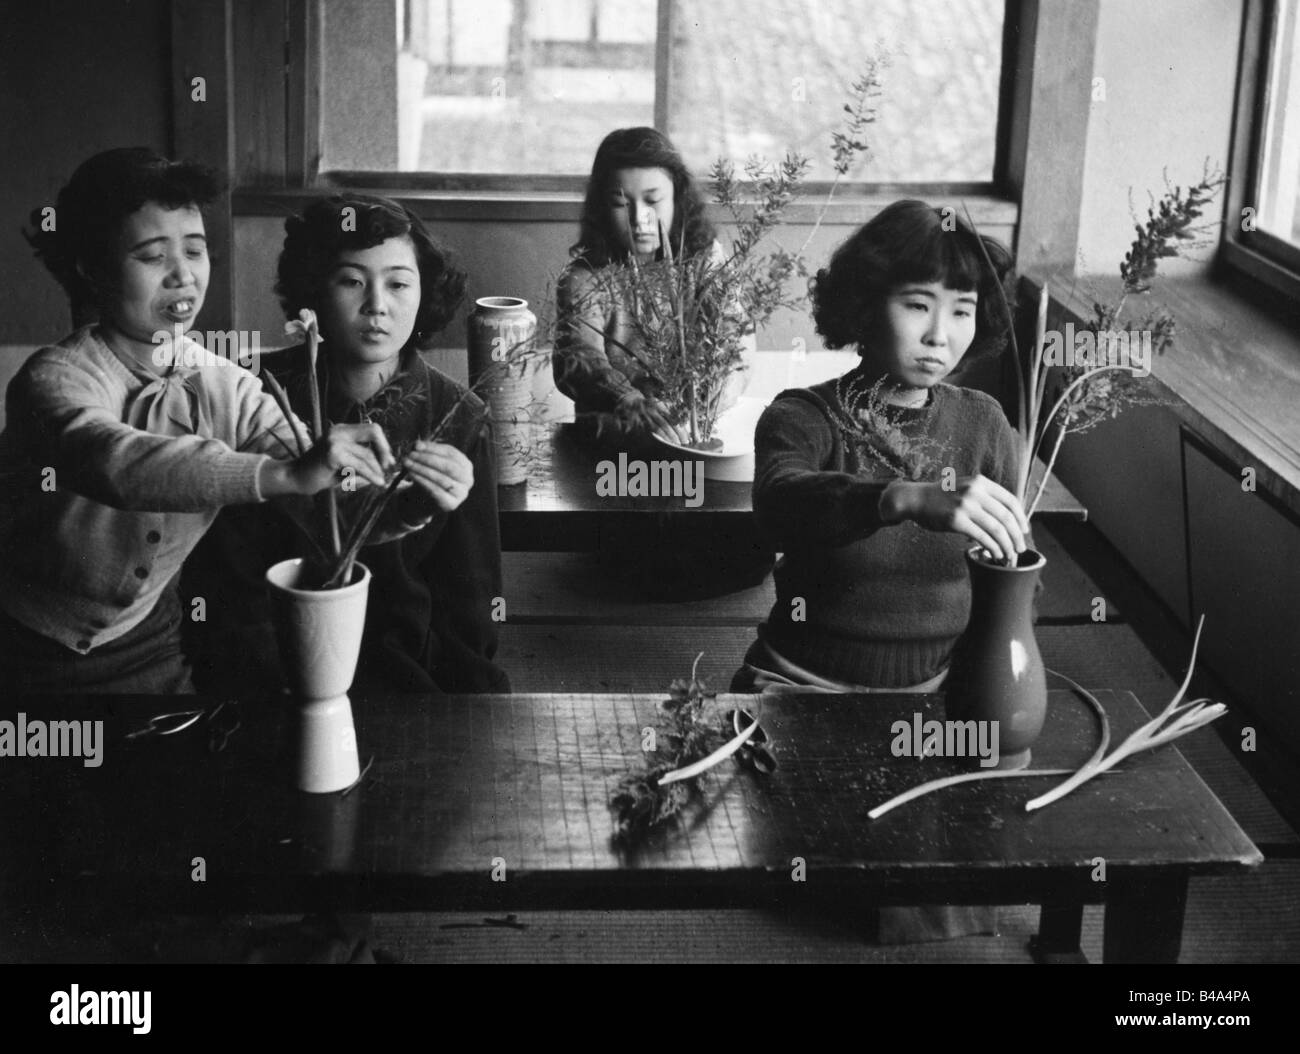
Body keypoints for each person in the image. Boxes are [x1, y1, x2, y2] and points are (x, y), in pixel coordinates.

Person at [0, 148, 402, 694]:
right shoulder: (54, 379)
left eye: (195, 250)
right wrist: (281, 475)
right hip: (23, 649)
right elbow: (110, 463)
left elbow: (326, 493)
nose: (183, 276)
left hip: (152, 644)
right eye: (151, 256)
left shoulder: (224, 383)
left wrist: (412, 495)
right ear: (91, 269)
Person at [184, 194, 509, 694]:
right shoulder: (252, 390)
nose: (377, 305)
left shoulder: (458, 416)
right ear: (313, 289)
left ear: (425, 293)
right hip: (268, 674)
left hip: (402, 679)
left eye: (399, 283)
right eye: (352, 281)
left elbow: (470, 608)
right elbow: (227, 576)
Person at [733, 199, 1030, 694]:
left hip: (936, 696)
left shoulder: (985, 422)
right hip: (797, 686)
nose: (939, 335)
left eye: (962, 311)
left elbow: (1013, 569)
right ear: (866, 304)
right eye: (917, 306)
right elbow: (779, 503)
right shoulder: (803, 416)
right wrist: (901, 497)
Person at [554, 126, 754, 447]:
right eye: (622, 203)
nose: (640, 219)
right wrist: (629, 399)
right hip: (612, 444)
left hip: (692, 435)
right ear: (602, 207)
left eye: (653, 200)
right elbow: (578, 360)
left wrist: (720, 390)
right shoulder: (585, 278)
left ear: (677, 197)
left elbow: (735, 339)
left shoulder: (705, 260)